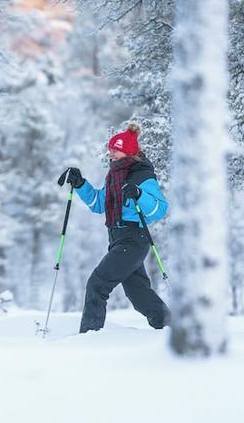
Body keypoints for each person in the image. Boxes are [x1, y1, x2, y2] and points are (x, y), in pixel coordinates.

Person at [58, 122, 170, 333]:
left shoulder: (143, 176)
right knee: (138, 294)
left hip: (134, 238)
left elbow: (160, 209)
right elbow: (99, 204)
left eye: (115, 150)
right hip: (117, 238)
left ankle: (90, 335)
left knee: (97, 284)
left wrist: (139, 194)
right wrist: (81, 184)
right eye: (110, 150)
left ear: (128, 152)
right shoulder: (115, 176)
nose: (111, 154)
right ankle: (169, 325)